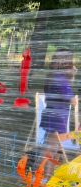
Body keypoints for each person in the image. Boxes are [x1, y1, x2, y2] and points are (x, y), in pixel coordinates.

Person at [40, 48, 78, 178]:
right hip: (56, 119)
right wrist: (72, 76)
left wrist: (70, 77)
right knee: (51, 148)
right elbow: (73, 101)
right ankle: (46, 178)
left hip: (52, 116)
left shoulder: (53, 76)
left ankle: (50, 176)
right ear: (66, 62)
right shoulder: (61, 79)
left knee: (55, 148)